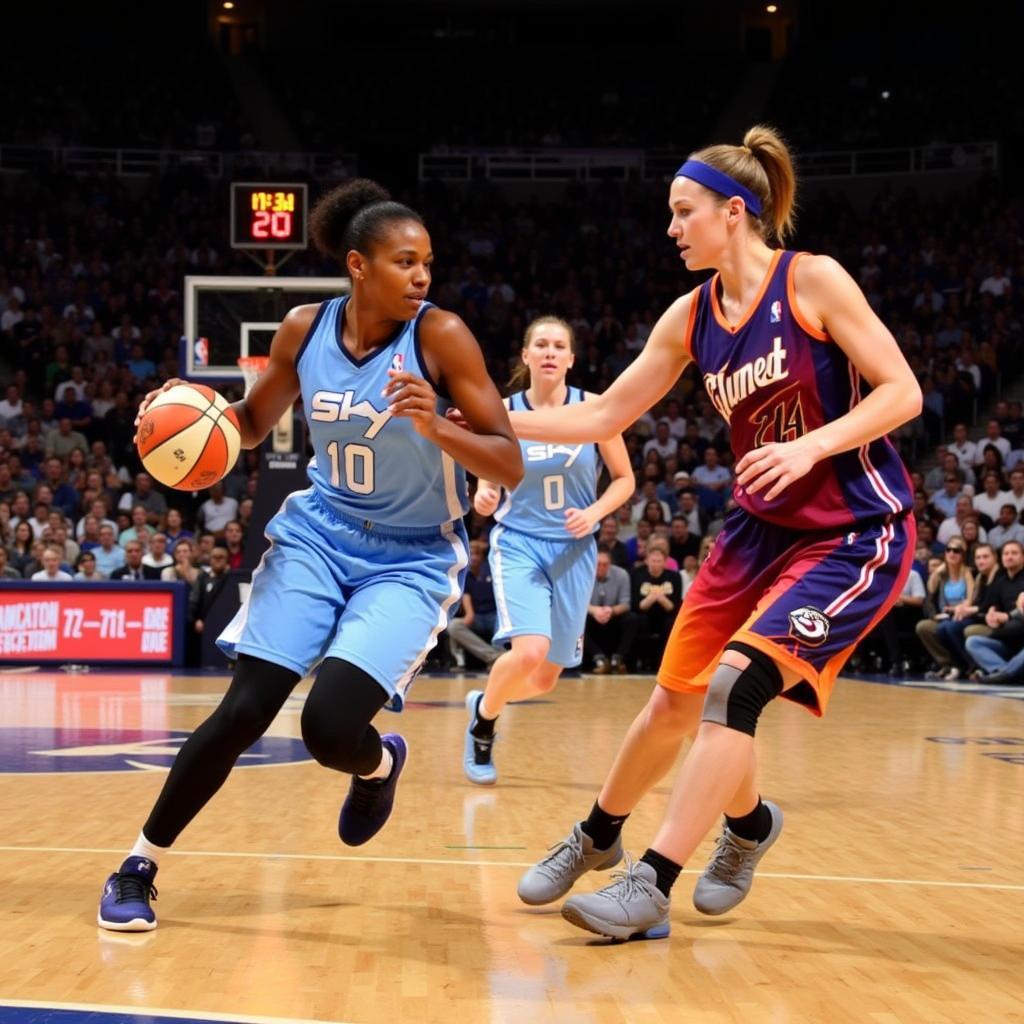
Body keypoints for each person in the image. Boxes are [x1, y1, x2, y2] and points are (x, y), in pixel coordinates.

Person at [499, 126, 919, 940]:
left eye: (683, 212)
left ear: (735, 212)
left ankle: (649, 883)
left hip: (852, 530)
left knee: (736, 688)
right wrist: (481, 422)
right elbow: (603, 414)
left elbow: (902, 391)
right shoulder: (690, 317)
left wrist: (810, 445)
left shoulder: (813, 282)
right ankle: (607, 835)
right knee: (670, 704)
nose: (671, 229)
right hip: (755, 533)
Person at [97, 178, 522, 931]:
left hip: (411, 557)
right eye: (404, 261)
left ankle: (377, 764)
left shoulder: (442, 336)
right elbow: (251, 425)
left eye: (427, 262)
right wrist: (183, 415)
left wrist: (440, 430)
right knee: (245, 710)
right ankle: (137, 866)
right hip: (320, 536)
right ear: (358, 265)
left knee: (328, 729)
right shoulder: (299, 328)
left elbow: (508, 462)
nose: (421, 276)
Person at [462, 315, 633, 785]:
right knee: (530, 650)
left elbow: (625, 479)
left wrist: (596, 513)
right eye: (542, 344)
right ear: (527, 355)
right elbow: (487, 470)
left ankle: (484, 700)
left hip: (575, 549)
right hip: (519, 543)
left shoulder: (594, 409)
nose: (551, 351)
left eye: (560, 345)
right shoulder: (503, 410)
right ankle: (483, 728)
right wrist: (484, 492)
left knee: (544, 679)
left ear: (572, 359)